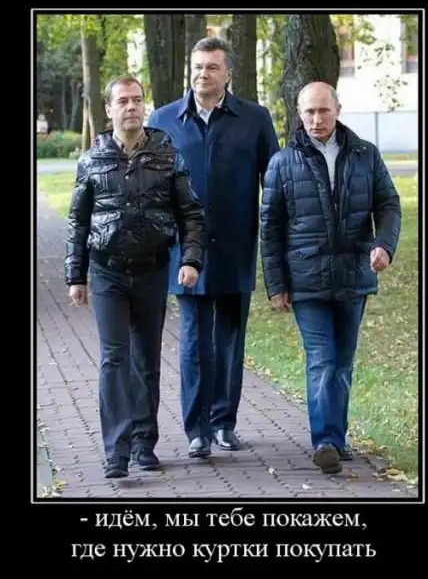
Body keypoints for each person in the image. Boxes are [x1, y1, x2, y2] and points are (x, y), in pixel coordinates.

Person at [64, 76, 206, 479]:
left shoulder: (167, 155)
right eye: (123, 101)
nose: (131, 107)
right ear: (109, 109)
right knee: (114, 358)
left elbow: (191, 214)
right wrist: (76, 275)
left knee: (146, 360)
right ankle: (116, 451)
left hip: (152, 270)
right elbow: (78, 221)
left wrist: (191, 260)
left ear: (145, 106)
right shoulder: (92, 160)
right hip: (107, 271)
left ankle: (145, 442)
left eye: (137, 100)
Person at [260, 81, 402, 474]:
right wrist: (277, 284)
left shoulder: (365, 154)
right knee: (322, 359)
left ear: (338, 109)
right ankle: (325, 440)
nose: (316, 119)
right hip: (306, 278)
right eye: (309, 111)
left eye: (323, 110)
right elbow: (270, 228)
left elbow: (388, 203)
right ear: (299, 113)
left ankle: (336, 439)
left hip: (353, 274)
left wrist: (384, 246)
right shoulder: (282, 162)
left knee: (342, 362)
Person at [147, 37, 279, 458]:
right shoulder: (163, 119)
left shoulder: (254, 119)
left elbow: (274, 185)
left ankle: (224, 423)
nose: (203, 74)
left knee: (230, 339)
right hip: (185, 252)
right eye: (198, 66)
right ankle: (197, 429)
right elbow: (150, 186)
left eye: (212, 67)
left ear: (228, 74)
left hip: (236, 246)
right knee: (193, 340)